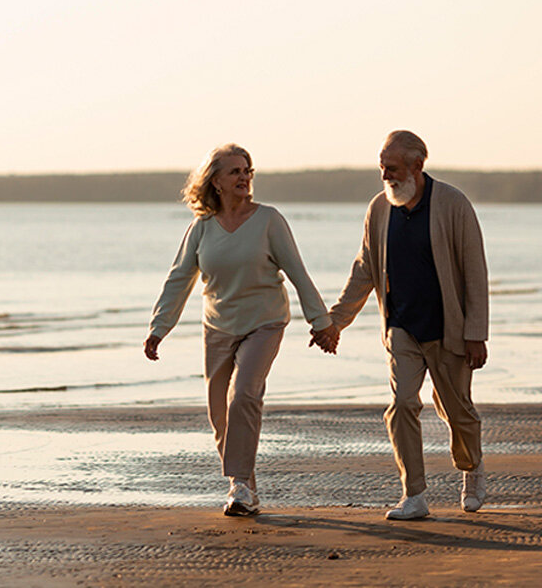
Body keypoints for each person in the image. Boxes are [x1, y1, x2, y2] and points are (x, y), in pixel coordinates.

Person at [144, 143, 333, 517]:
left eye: (248, 171)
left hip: (264, 321)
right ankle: (244, 483)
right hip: (217, 327)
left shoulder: (269, 220)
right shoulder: (201, 229)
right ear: (215, 181)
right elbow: (179, 279)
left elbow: (297, 272)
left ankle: (240, 487)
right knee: (220, 413)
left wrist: (321, 322)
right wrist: (159, 327)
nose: (244, 177)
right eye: (235, 172)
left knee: (244, 393)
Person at [311, 130, 489, 520]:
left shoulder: (454, 204)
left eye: (391, 167)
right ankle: (414, 495)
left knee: (457, 411)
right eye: (382, 166)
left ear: (417, 166)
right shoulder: (380, 209)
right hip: (402, 328)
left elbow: (475, 272)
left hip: (449, 329)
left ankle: (471, 470)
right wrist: (335, 322)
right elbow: (364, 270)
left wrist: (476, 333)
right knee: (402, 405)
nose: (384, 175)